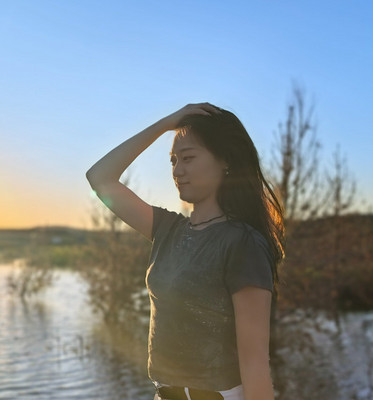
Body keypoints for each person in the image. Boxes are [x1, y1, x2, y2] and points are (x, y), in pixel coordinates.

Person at [85, 103, 284, 400]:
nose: (178, 170)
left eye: (188, 158)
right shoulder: (167, 229)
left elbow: (255, 363)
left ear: (225, 160)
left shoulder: (243, 243)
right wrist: (166, 123)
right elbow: (100, 178)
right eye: (173, 161)